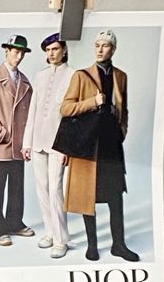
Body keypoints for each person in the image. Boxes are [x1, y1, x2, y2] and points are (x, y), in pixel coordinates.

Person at [59, 29, 139, 262]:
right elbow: (65, 108)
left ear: (113, 49)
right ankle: (92, 246)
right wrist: (92, 102)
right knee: (88, 196)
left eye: (105, 45)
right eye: (97, 45)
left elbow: (124, 110)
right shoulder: (81, 76)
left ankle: (119, 245)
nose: (100, 49)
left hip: (111, 145)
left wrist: (121, 132)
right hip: (88, 145)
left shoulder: (121, 76)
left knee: (116, 197)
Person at [0, 34, 36, 247]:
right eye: (15, 51)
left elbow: (31, 114)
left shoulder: (25, 82)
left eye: (22, 53)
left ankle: (15, 222)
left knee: (17, 187)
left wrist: (27, 141)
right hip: (1, 144)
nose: (18, 56)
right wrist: (2, 134)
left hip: (20, 146)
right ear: (7, 51)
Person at [22, 33, 72, 258]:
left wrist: (68, 147)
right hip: (38, 141)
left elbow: (72, 117)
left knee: (55, 190)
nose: (51, 54)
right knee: (41, 188)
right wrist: (27, 143)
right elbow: (32, 111)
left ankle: (61, 240)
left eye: (55, 49)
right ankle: (50, 232)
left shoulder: (73, 75)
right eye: (48, 50)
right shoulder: (40, 76)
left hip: (59, 143)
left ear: (64, 50)